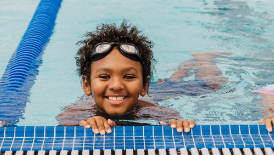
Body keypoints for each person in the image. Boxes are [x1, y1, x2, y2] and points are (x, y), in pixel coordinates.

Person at [56, 21, 229, 134]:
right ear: (87, 85)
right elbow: (65, 121)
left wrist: (179, 125)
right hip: (150, 92)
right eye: (104, 76)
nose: (116, 85)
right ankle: (182, 70)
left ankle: (205, 60)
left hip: (158, 94)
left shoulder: (152, 110)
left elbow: (173, 119)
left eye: (129, 76)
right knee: (172, 83)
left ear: (145, 85)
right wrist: (87, 123)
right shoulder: (79, 112)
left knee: (213, 86)